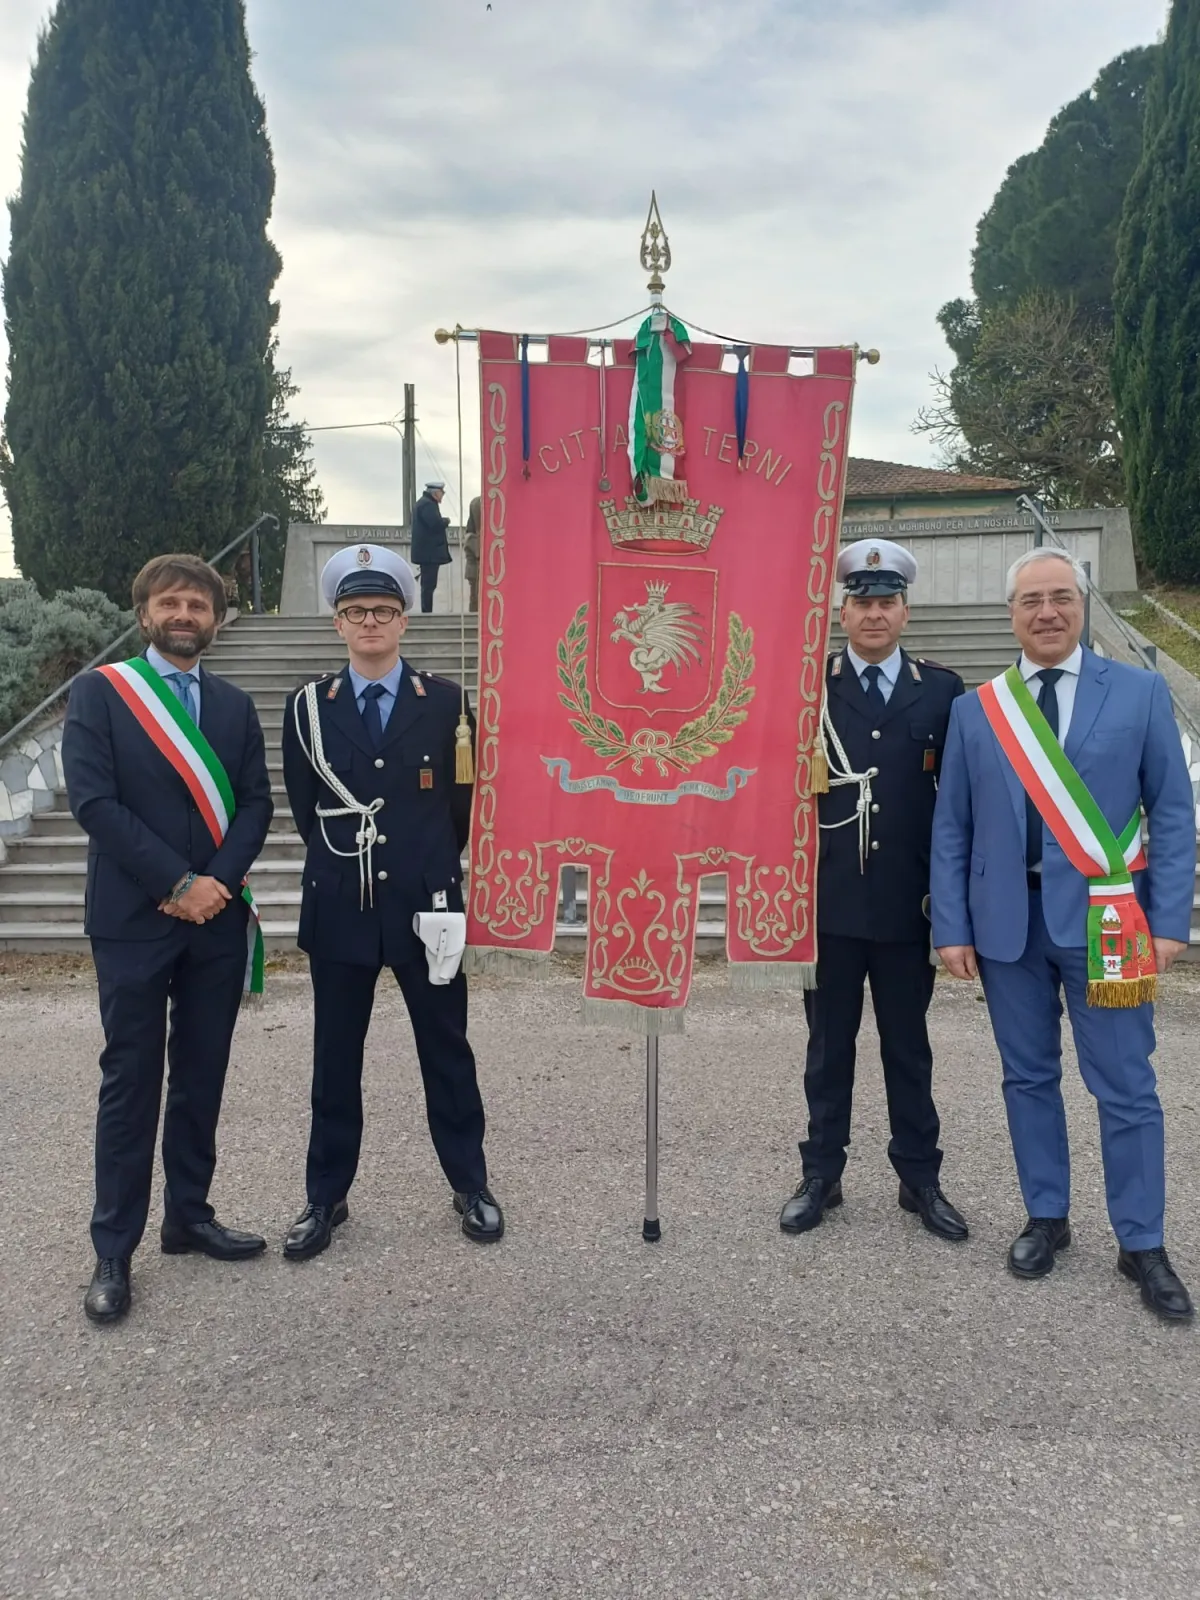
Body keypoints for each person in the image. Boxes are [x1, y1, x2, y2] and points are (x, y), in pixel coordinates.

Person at [932, 549, 1195, 1320]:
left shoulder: (1141, 694)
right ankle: (1047, 1216)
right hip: (1007, 929)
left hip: (1109, 926)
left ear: (1080, 605)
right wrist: (951, 924)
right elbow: (953, 827)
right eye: (1029, 602)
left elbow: (1174, 814)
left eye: (1059, 599)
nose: (1046, 613)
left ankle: (1141, 1240)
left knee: (1127, 1086)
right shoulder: (977, 710)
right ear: (1010, 615)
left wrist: (1170, 919)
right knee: (1028, 1079)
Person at [62, 554, 273, 1325]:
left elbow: (255, 803)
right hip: (133, 919)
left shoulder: (233, 704)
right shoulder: (102, 693)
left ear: (215, 620)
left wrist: (215, 882)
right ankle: (113, 1248)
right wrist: (175, 883)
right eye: (171, 602)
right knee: (131, 1081)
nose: (185, 614)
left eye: (199, 604)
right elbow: (94, 802)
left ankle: (189, 1216)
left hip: (215, 919)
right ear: (145, 612)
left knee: (202, 1072)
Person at [280, 543, 503, 1258]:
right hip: (342, 903)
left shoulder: (445, 703)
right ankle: (325, 1198)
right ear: (338, 625)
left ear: (404, 621)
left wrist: (427, 860)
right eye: (354, 612)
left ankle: (470, 1184)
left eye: (382, 610)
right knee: (333, 1060)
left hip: (427, 906)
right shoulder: (310, 706)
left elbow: (465, 807)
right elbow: (307, 804)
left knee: (448, 1053)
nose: (369, 622)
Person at [779, 538, 969, 1243]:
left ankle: (919, 1178)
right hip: (826, 904)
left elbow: (958, 805)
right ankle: (821, 1173)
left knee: (907, 1047)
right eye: (862, 601)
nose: (875, 613)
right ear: (842, 610)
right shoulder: (809, 686)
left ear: (906, 611)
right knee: (827, 1048)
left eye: (887, 601)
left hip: (904, 905)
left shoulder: (943, 692)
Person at [410, 480, 452, 613]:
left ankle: (426, 610)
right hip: (429, 554)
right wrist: (446, 521)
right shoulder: (428, 505)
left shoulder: (424, 503)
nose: (442, 495)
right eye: (441, 492)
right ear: (435, 493)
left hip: (426, 553)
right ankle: (426, 611)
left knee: (428, 585)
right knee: (428, 585)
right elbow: (434, 524)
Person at [464, 494, 482, 613]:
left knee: (475, 597)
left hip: (474, 570)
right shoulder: (472, 539)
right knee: (475, 597)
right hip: (475, 570)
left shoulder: (476, 502)